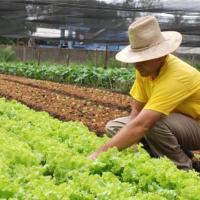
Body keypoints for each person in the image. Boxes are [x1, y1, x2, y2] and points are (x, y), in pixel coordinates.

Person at [88, 15, 200, 172]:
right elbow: (137, 111)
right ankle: (169, 158)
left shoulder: (178, 75)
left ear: (160, 55)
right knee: (114, 127)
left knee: (152, 124)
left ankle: (183, 168)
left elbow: (144, 123)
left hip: (196, 126)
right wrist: (132, 141)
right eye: (136, 58)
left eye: (144, 58)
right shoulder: (145, 70)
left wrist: (97, 155)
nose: (137, 64)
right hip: (177, 125)